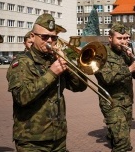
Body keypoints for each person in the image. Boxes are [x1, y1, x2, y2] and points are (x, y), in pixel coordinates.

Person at [6, 13, 88, 151]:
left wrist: (66, 62)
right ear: (32, 36)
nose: (50, 41)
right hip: (32, 140)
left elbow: (80, 86)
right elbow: (21, 97)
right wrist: (51, 73)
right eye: (44, 37)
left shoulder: (54, 60)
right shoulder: (21, 63)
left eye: (54, 37)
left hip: (58, 136)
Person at [95, 23, 135, 151]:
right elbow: (106, 79)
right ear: (110, 38)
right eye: (120, 38)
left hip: (127, 102)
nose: (124, 42)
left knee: (122, 139)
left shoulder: (125, 52)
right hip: (111, 103)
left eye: (126, 38)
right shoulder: (101, 53)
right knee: (122, 143)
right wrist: (129, 68)